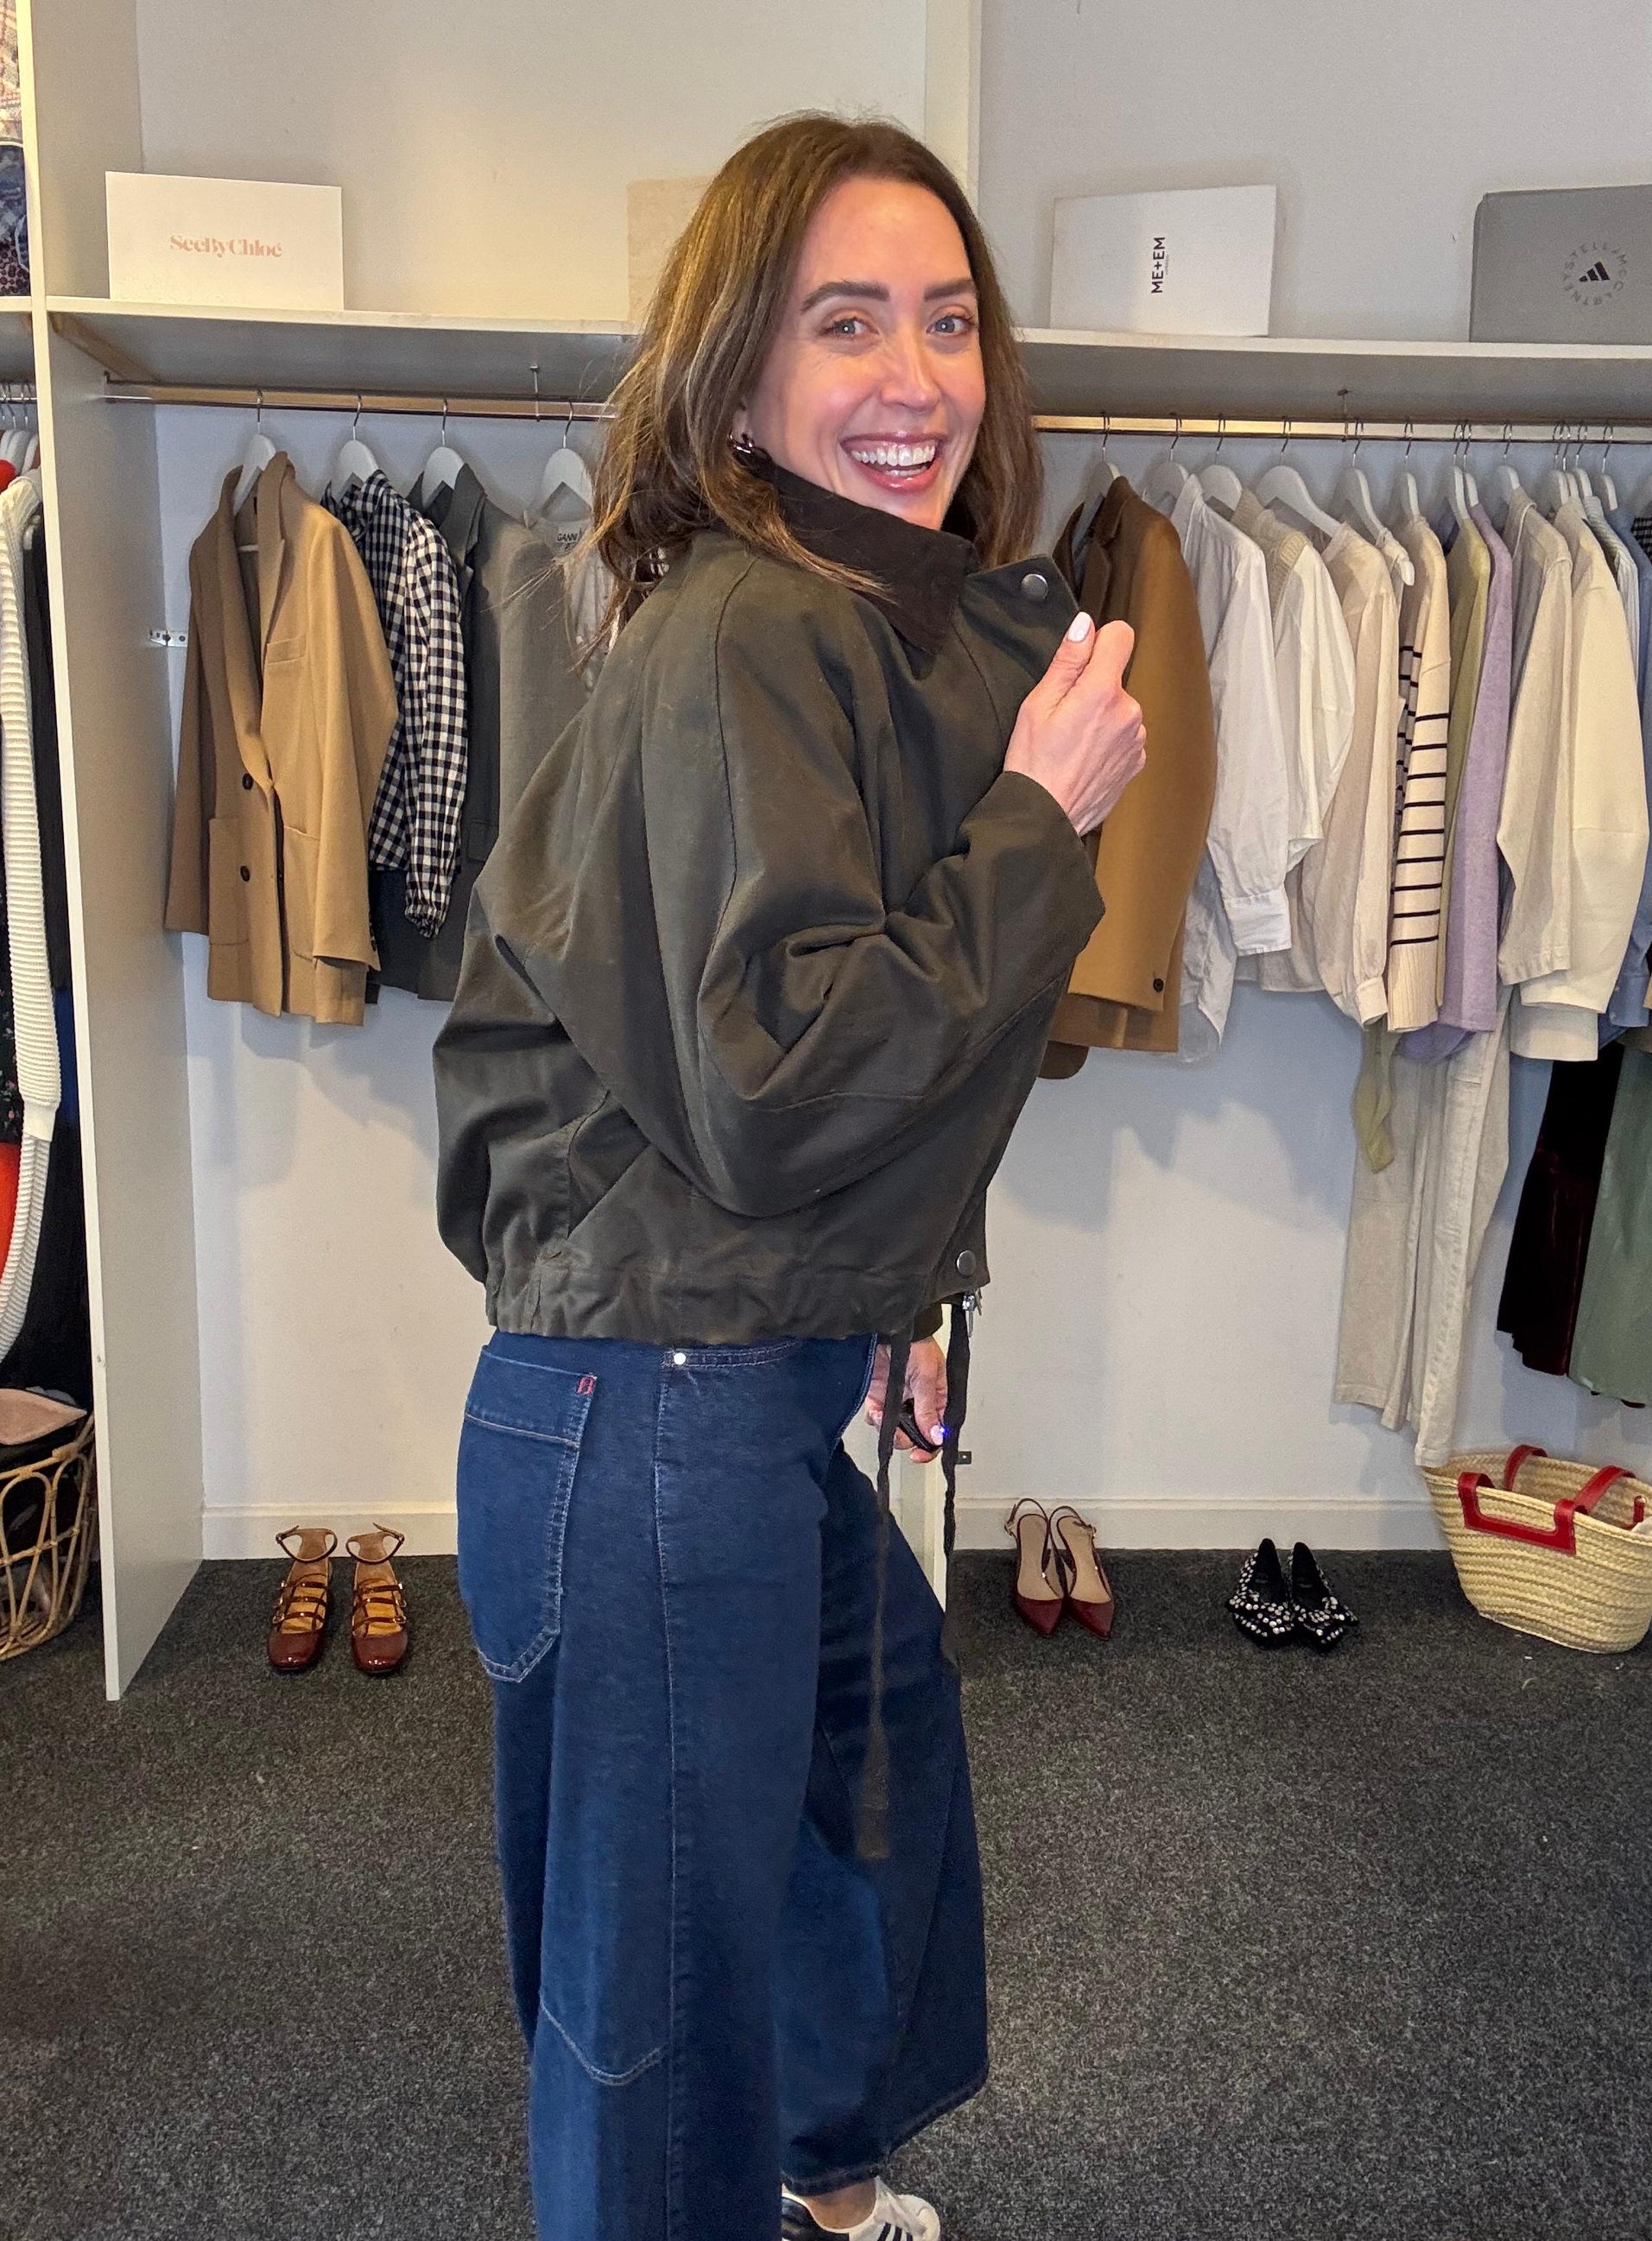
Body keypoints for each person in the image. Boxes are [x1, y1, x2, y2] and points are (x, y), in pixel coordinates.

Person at [434, 111, 1144, 2241]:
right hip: (647, 1394)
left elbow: (849, 1041)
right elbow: (783, 1077)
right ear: (739, 381)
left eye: (947, 319)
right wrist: (1041, 820)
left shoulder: (857, 622)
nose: (917, 378)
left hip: (729, 1363)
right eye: (845, 323)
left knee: (863, 1789)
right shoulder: (752, 627)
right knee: (652, 1979)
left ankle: (815, 2182)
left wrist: (896, 1294)